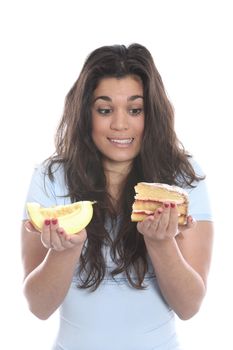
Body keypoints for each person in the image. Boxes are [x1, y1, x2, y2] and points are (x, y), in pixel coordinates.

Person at [21, 43, 214, 350]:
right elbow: (38, 307)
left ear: (152, 114)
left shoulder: (183, 175)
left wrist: (161, 243)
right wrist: (65, 251)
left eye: (135, 110)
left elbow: (190, 307)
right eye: (105, 109)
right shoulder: (51, 177)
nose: (120, 124)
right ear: (86, 113)